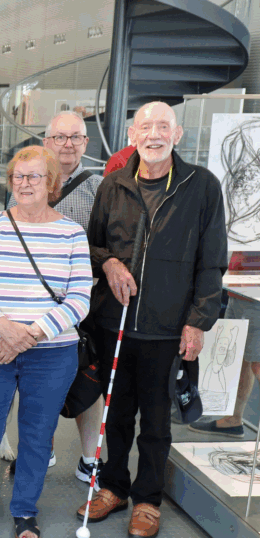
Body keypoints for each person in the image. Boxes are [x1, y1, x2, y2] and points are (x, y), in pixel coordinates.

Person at [76, 102, 227, 538]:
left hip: (168, 328)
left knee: (157, 422)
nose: (154, 134)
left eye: (163, 126)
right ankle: (114, 487)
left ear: (177, 135)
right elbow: (90, 246)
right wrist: (108, 264)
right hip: (114, 324)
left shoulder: (202, 186)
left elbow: (211, 259)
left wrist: (198, 321)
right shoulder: (112, 185)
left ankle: (147, 500)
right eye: (146, 127)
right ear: (132, 134)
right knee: (117, 414)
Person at [0, 145, 91, 538]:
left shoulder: (71, 233)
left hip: (51, 353)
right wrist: (4, 327)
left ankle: (25, 510)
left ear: (51, 183)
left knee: (36, 433)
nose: (24, 184)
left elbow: (80, 297)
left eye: (34, 177)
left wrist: (29, 334)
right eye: (18, 177)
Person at [6, 111, 105, 479]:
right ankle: (39, 450)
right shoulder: (26, 179)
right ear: (46, 141)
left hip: (80, 304)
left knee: (88, 379)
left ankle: (89, 457)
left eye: (75, 137)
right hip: (25, 303)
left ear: (85, 143)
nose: (67, 144)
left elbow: (106, 245)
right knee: (29, 382)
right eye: (59, 137)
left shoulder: (100, 187)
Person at [189, 253, 260, 439]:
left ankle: (233, 420)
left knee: (257, 363)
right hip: (238, 290)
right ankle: (233, 420)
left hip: (255, 294)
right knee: (241, 359)